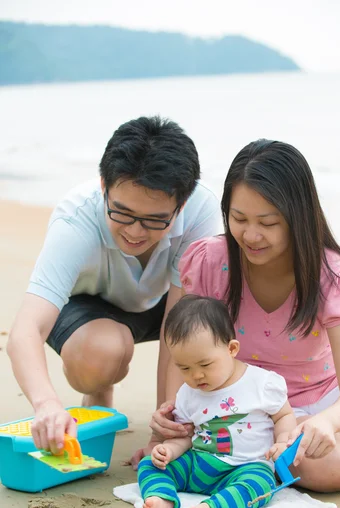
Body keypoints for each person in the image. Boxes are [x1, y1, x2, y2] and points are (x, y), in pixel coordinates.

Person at [148, 139, 340, 492]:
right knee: (335, 470)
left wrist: (328, 422)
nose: (251, 235)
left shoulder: (332, 277)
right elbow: (183, 347)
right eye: (239, 219)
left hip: (333, 395)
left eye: (268, 222)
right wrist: (172, 417)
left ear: (298, 217)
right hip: (254, 405)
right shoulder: (211, 262)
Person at [7, 116, 220, 456]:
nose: (135, 232)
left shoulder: (200, 211)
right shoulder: (76, 217)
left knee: (209, 325)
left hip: (162, 301)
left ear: (181, 205)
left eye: (154, 220)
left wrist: (166, 427)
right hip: (88, 306)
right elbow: (25, 330)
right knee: (102, 354)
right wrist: (46, 404)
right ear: (104, 185)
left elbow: (178, 329)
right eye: (122, 213)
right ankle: (98, 390)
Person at [138, 294, 297, 508]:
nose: (196, 375)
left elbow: (284, 416)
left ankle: (214, 507)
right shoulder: (187, 393)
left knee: (261, 484)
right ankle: (162, 497)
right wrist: (168, 451)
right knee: (149, 465)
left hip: (246, 466)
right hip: (200, 465)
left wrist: (282, 443)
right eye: (184, 368)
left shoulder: (261, 383)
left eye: (205, 364)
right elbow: (186, 434)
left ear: (231, 349)